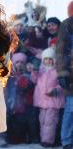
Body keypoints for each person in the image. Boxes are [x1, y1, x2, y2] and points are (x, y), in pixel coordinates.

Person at [32, 47, 65, 147]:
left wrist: (56, 90)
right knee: (42, 120)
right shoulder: (41, 70)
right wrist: (34, 70)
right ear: (43, 60)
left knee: (50, 122)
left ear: (54, 60)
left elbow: (62, 85)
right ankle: (43, 138)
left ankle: (48, 141)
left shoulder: (57, 71)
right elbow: (34, 80)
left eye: (50, 59)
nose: (48, 61)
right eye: (46, 59)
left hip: (53, 101)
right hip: (42, 101)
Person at [5, 52, 35, 144]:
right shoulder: (10, 75)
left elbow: (29, 85)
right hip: (10, 103)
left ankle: (21, 137)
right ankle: (12, 137)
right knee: (10, 121)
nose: (20, 64)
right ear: (13, 63)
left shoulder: (27, 75)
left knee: (21, 121)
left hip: (22, 105)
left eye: (22, 62)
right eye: (17, 62)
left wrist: (24, 81)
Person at [56, 11, 73, 149]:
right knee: (70, 110)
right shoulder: (67, 24)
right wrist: (62, 73)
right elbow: (60, 51)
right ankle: (66, 140)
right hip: (71, 74)